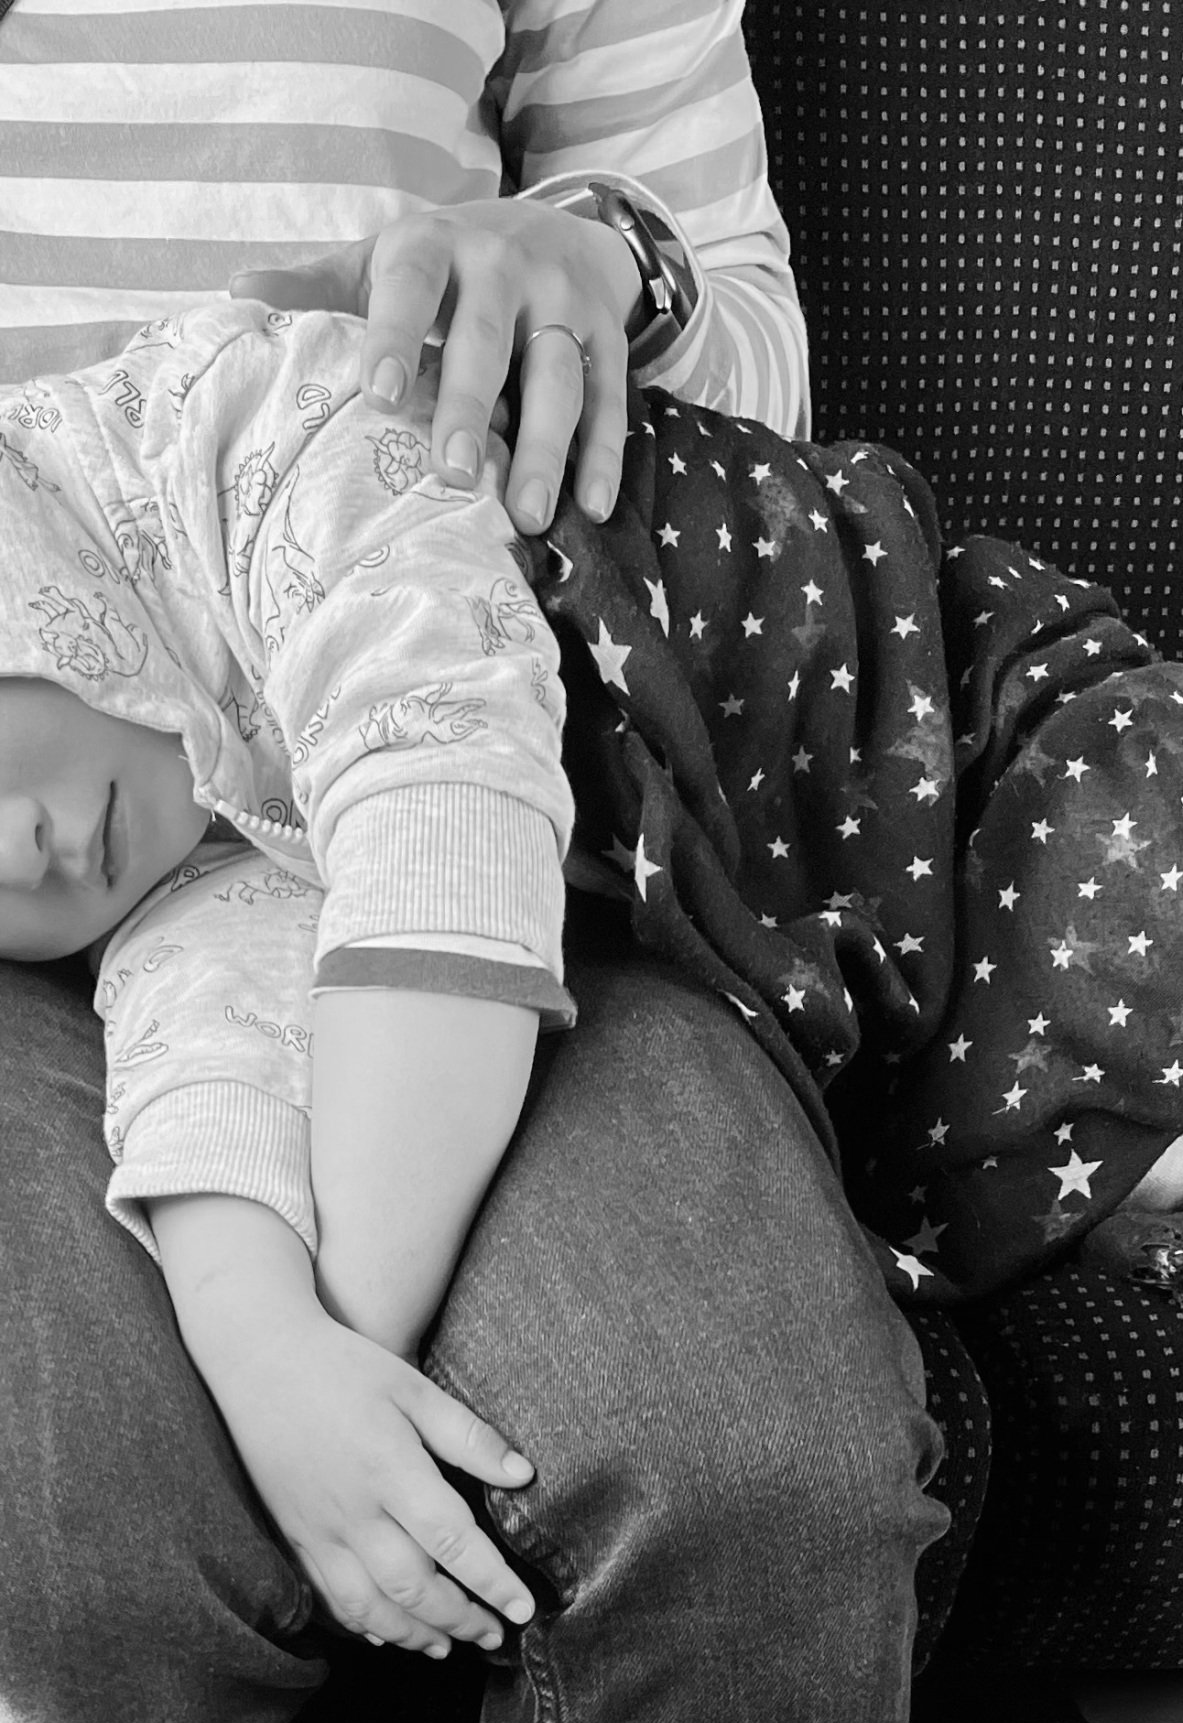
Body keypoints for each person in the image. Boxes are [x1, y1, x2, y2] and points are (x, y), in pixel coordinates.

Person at [0, 300, 1183, 1689]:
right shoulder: (160, 867)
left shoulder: (244, 425)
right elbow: (211, 1060)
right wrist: (259, 1346)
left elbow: (435, 803)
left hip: (895, 724)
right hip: (785, 941)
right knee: (1062, 1168)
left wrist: (356, 1347)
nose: (12, 843)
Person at [0, 6, 949, 1719]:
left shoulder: (301, 477)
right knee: (74, 1549)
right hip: (139, 903)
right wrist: (263, 1332)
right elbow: (210, 998)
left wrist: (608, 271)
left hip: (504, 770)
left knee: (747, 1485)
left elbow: (751, 369)